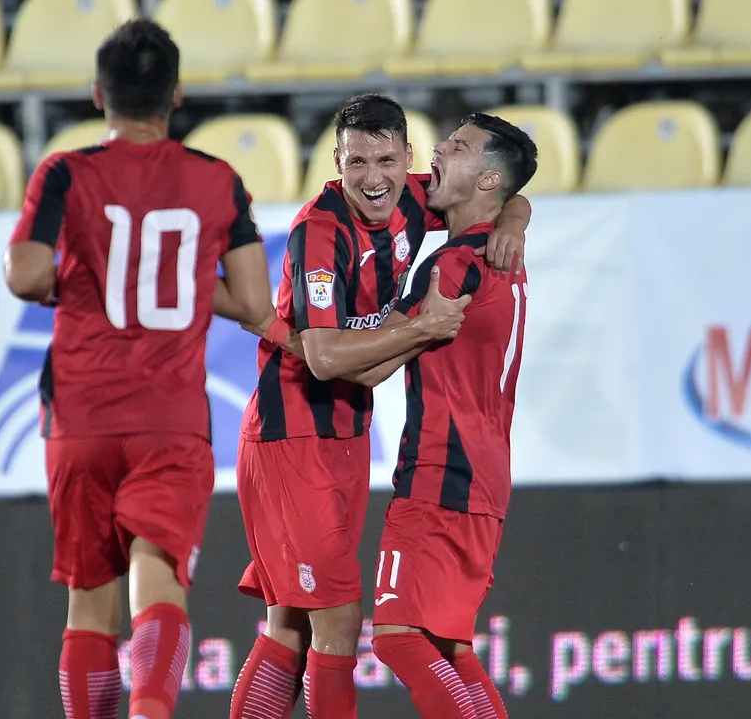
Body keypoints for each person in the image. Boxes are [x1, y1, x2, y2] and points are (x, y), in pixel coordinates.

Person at [2, 19, 275, 719]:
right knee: (158, 572)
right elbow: (251, 301)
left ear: (99, 95)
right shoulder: (219, 181)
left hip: (80, 412)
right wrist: (174, 279)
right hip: (170, 416)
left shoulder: (65, 173)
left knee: (89, 597)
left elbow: (26, 276)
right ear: (177, 93)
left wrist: (93, 278)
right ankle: (152, 711)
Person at [229, 95, 533, 719]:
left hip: (345, 434)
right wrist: (421, 330)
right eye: (357, 162)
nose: (374, 178)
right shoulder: (322, 233)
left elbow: (504, 188)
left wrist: (514, 221)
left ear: (408, 160)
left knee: (290, 620)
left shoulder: (418, 203)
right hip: (293, 434)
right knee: (339, 618)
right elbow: (324, 360)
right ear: (337, 163)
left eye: (387, 160)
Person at [360, 113, 537, 719]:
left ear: (487, 180)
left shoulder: (454, 266)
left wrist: (285, 330)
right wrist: (518, 211)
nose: (437, 149)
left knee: (399, 638)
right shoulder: (495, 254)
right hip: (483, 478)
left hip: (441, 471)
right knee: (448, 648)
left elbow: (364, 368)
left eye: (457, 147)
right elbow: (518, 196)